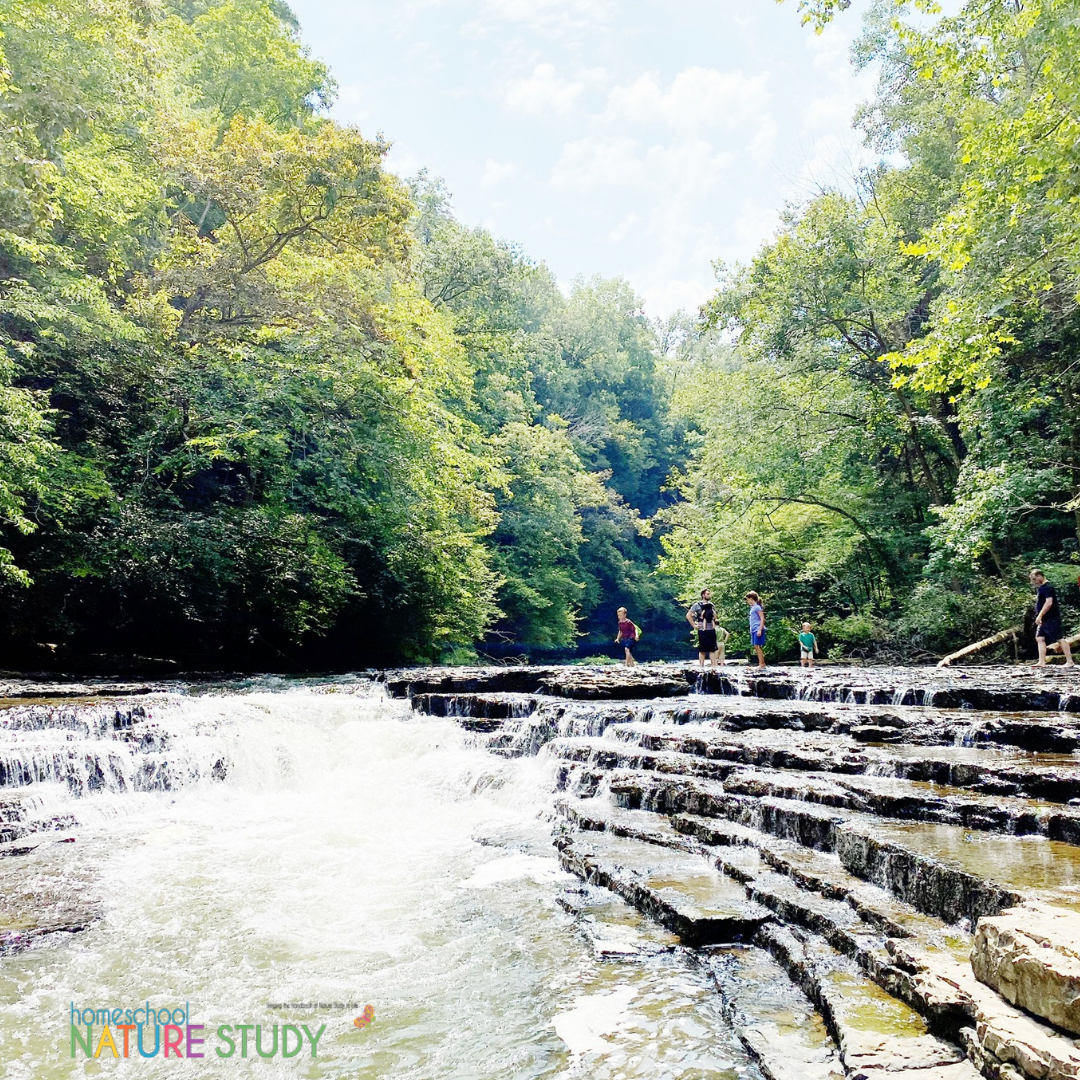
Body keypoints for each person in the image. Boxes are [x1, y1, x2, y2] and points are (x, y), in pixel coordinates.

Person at [1030, 569, 1075, 668]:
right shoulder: (1042, 588)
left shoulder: (1047, 587)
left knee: (1059, 638)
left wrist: (1040, 615)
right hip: (1044, 618)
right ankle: (1041, 661)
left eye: (1034, 579)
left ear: (1040, 576)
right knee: (1040, 638)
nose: (1034, 582)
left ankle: (1070, 661)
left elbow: (1049, 602)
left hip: (1051, 617)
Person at [695, 600, 719, 670]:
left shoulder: (704, 611)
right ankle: (713, 666)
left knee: (704, 649)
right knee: (711, 649)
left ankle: (702, 666)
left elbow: (702, 617)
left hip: (704, 630)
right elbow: (715, 617)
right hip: (711, 629)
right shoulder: (712, 610)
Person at [745, 591, 765, 669]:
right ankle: (761, 663)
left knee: (757, 646)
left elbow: (762, 618)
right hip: (753, 629)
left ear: (751, 598)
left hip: (758, 628)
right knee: (755, 646)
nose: (747, 601)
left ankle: (762, 664)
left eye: (748, 599)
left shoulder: (757, 607)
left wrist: (760, 629)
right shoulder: (752, 608)